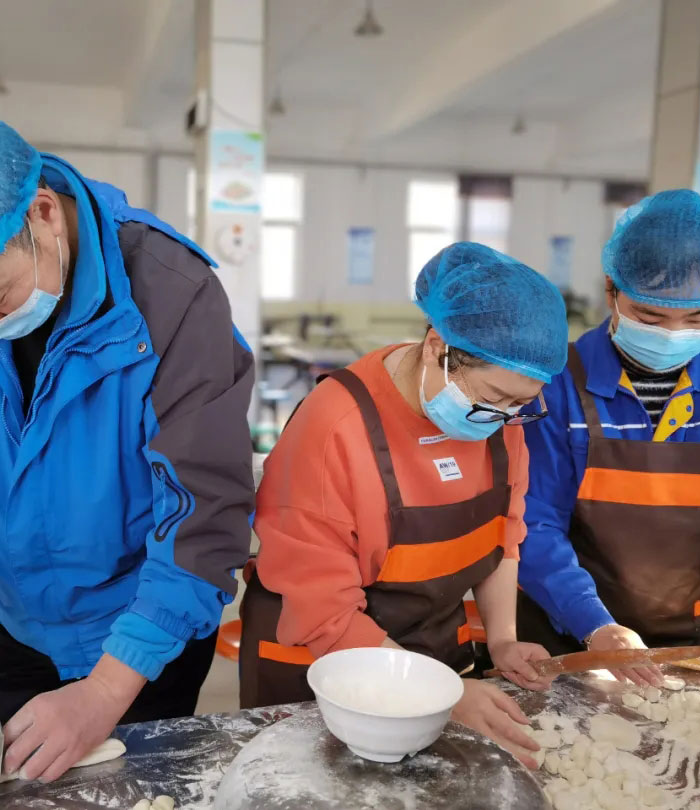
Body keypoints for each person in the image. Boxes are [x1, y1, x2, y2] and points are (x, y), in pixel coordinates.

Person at [0, 106, 255, 782]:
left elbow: (202, 522)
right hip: (12, 614)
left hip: (140, 628)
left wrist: (103, 693)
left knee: (135, 789)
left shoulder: (172, 298)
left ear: (42, 212)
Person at [239, 243, 570, 768]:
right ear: (439, 346)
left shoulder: (498, 425)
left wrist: (504, 640)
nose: (504, 416)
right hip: (323, 672)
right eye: (495, 396)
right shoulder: (334, 428)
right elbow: (323, 611)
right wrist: (442, 696)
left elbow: (503, 534)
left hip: (434, 663)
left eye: (520, 405)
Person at [517, 189, 700, 717]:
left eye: (699, 318)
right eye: (650, 318)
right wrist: (593, 623)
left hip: (690, 631)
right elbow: (535, 523)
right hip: (567, 627)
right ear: (611, 291)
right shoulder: (560, 386)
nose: (674, 333)